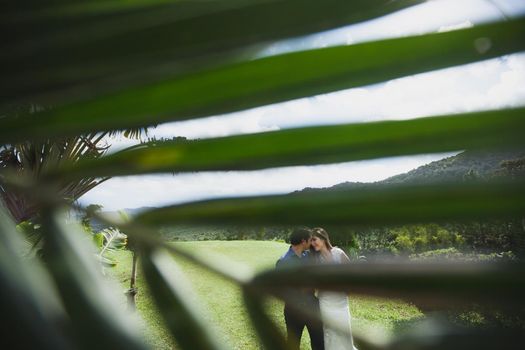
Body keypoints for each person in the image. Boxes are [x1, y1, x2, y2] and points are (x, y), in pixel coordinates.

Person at [276, 227, 325, 350]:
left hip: (312, 306)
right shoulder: (284, 261)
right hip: (293, 310)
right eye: (310, 240)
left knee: (319, 342)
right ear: (303, 241)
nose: (311, 243)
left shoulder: (309, 256)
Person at [310, 227, 358, 350]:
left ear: (323, 238)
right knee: (330, 331)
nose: (312, 243)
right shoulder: (315, 260)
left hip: (341, 300)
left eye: (314, 240)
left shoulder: (338, 253)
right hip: (326, 300)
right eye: (311, 241)